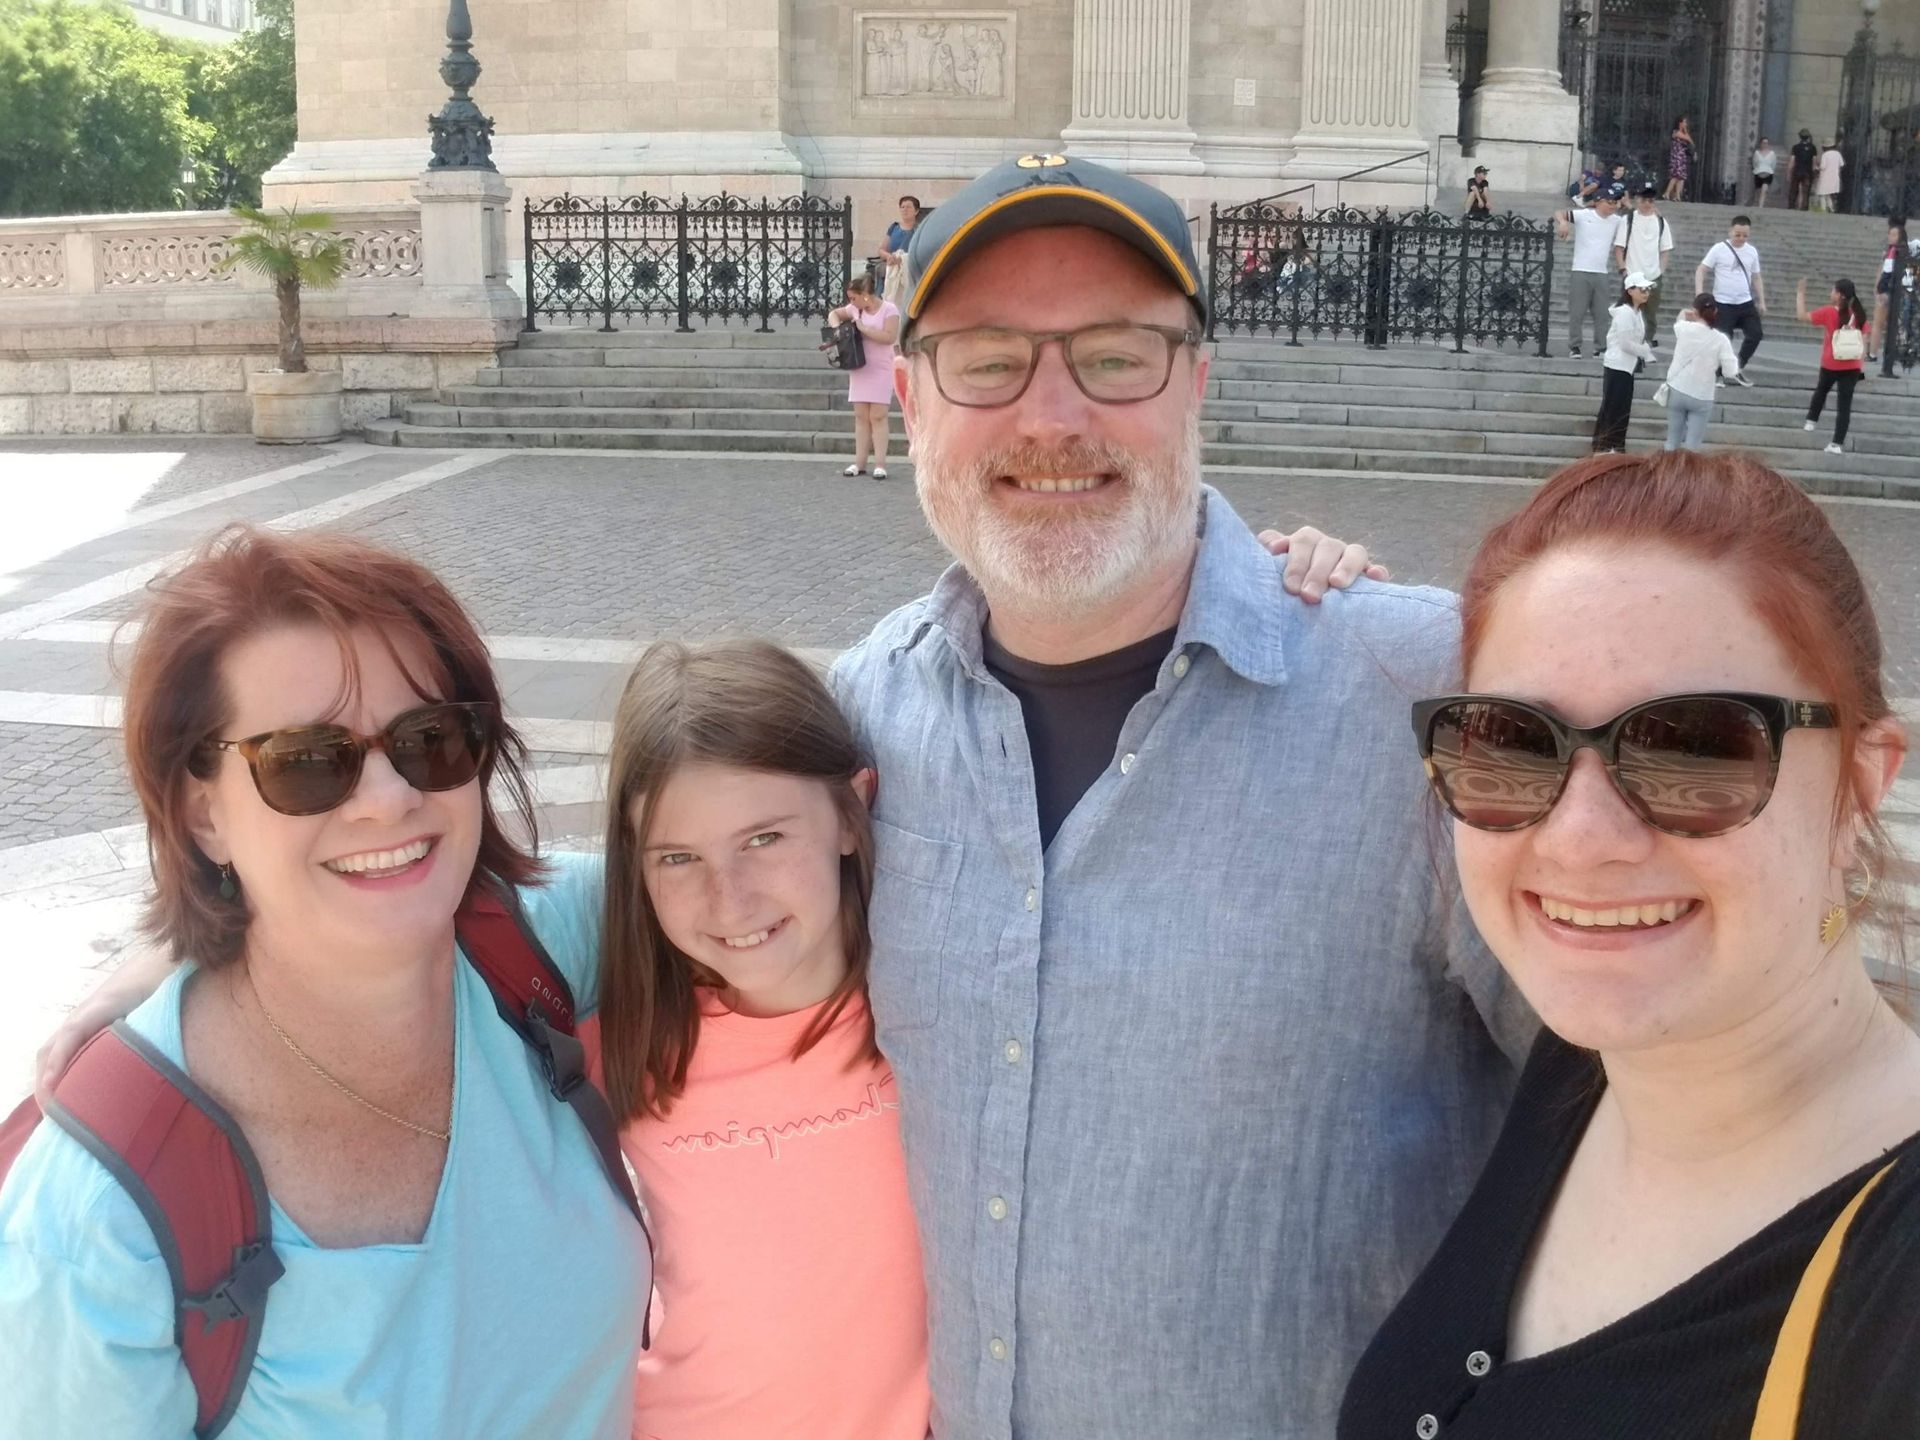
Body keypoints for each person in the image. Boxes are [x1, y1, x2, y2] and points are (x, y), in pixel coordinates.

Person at [835, 151, 1529, 1440]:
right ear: (913, 394)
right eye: (988, 358)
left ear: (1200, 384)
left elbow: (1657, 1111)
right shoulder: (859, 715)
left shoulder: (1422, 698)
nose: (1051, 416)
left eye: (1115, 355)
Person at [0, 527, 653, 1437]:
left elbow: (761, 847)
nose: (387, 798)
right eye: (307, 762)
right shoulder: (97, 1212)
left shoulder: (530, 955)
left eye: (429, 740)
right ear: (202, 812)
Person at [1340, 449, 1919, 1439]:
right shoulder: (1582, 1067)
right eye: (1510, 742)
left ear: (1862, 781)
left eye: (1696, 746)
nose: (1582, 841)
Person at [585, 639, 931, 1439]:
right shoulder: (626, 1042)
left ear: (851, 811)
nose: (729, 899)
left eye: (764, 838)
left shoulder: (944, 1018)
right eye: (678, 857)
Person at [825, 274, 902, 480]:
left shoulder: (889, 309)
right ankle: (859, 462)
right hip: (860, 366)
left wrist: (864, 329)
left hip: (881, 367)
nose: (852, 302)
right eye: (850, 299)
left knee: (878, 415)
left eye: (854, 298)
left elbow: (889, 337)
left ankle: (880, 463)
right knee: (860, 415)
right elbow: (834, 314)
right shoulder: (854, 310)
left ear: (866, 295)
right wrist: (837, 329)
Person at [1796, 276, 1870, 455]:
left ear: (1840, 295)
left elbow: (1802, 316)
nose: (1831, 294)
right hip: (1852, 365)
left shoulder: (1829, 312)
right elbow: (1865, 339)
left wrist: (1800, 293)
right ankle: (1837, 443)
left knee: (1821, 391)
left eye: (1833, 291)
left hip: (1831, 363)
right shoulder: (1858, 314)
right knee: (1844, 406)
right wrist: (1862, 365)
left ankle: (1811, 421)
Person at [1663, 293, 1741, 451]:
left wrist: (1687, 313)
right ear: (1716, 312)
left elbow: (1679, 319)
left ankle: (1667, 472)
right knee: (1693, 446)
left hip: (1678, 388)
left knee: (1672, 442)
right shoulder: (1721, 339)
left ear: (1695, 311)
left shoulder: (1683, 328)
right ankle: (1691, 474)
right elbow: (1730, 371)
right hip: (1702, 394)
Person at [1591, 272, 1655, 453]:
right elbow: (1626, 343)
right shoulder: (1625, 313)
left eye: (1647, 289)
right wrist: (1644, 351)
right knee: (1614, 407)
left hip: (1627, 366)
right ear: (1630, 290)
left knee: (1621, 407)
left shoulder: (1636, 312)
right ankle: (1606, 445)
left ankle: (1615, 444)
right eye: (1642, 289)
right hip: (1618, 365)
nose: (1646, 292)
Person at [1557, 186, 1623, 358]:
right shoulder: (1584, 215)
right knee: (1577, 312)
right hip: (1581, 270)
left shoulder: (1616, 220)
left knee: (1602, 313)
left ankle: (1600, 347)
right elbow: (1560, 212)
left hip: (1601, 272)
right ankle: (1575, 346)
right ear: (1599, 201)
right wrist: (1563, 223)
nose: (1613, 205)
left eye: (1615, 202)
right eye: (1610, 202)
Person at [1696, 216, 1766, 378]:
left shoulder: (1751, 251)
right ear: (1730, 232)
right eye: (1738, 235)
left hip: (1745, 302)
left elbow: (1756, 276)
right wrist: (1700, 294)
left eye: (1745, 235)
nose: (1741, 238)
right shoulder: (1719, 249)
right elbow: (1701, 269)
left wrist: (1762, 300)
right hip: (1723, 303)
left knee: (1755, 334)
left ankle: (1737, 366)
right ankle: (1718, 374)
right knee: (1723, 339)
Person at [1611, 183, 1675, 349]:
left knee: (1650, 315)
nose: (1647, 203)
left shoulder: (1661, 222)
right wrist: (1624, 270)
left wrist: (1660, 271)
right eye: (1644, 199)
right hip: (1632, 275)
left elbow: (1665, 250)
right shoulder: (1628, 220)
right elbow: (1619, 247)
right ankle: (1623, 343)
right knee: (1627, 312)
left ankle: (1645, 345)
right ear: (1637, 200)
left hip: (1653, 275)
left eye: (1650, 200)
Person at [1870, 215, 1913, 369]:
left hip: (1897, 291)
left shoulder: (1899, 253)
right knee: (1881, 323)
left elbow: (1885, 272)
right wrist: (1878, 288)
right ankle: (1874, 353)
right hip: (1889, 290)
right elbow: (1882, 272)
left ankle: (1896, 354)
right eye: (1890, 234)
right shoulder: (1892, 252)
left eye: (1893, 234)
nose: (1890, 236)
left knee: (1898, 325)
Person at [879, 195, 923, 310]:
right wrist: (889, 256)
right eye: (902, 207)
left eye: (908, 207)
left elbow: (922, 252)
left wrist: (903, 260)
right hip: (892, 266)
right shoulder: (894, 228)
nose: (904, 209)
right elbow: (881, 250)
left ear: (916, 211)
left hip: (911, 267)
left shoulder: (920, 230)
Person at [1664, 115, 1694, 202]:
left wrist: (1685, 131)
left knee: (1681, 177)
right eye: (1684, 122)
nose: (1686, 124)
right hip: (1676, 156)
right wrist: (1685, 132)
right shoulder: (1676, 132)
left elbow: (1691, 142)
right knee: (1676, 175)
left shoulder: (1684, 132)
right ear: (1680, 123)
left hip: (1682, 156)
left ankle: (1677, 195)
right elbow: (1688, 139)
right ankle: (1667, 193)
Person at [1789, 128, 1819, 211]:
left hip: (1797, 171)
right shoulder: (1813, 148)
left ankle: (1792, 206)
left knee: (1794, 189)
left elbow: (1792, 161)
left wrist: (1789, 172)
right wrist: (1814, 172)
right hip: (1808, 172)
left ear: (1800, 137)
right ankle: (1804, 207)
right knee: (1806, 191)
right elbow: (1814, 161)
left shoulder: (1795, 147)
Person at [1814, 138, 1845, 214]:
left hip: (1825, 177)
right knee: (1828, 194)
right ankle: (1831, 208)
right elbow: (1842, 164)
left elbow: (1823, 166)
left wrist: (1817, 168)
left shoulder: (1825, 155)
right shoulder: (1838, 154)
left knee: (1822, 193)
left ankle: (1823, 208)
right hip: (1834, 177)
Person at [1752, 135, 1777, 206]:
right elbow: (1754, 164)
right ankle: (1755, 204)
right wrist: (1757, 170)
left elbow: (1773, 164)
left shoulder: (1772, 154)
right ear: (1760, 144)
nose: (1765, 145)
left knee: (1764, 191)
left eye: (1766, 143)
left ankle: (1760, 206)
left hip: (1768, 174)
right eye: (1763, 143)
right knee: (1757, 192)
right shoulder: (1756, 153)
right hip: (1758, 173)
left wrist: (1770, 171)